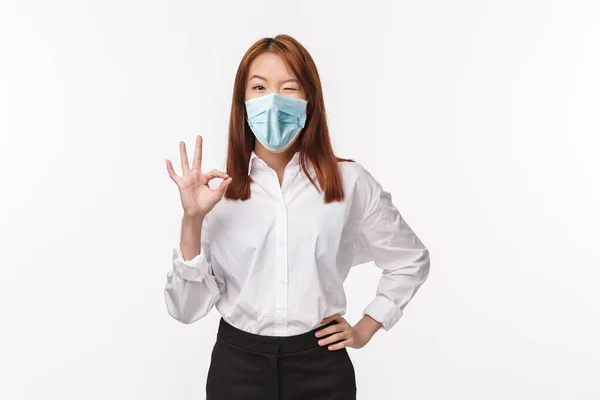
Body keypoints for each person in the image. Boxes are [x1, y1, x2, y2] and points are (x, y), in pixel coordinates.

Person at [164, 34, 431, 400]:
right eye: (259, 87)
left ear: (310, 102)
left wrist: (367, 326)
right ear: (242, 103)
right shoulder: (217, 194)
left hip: (320, 367)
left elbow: (410, 259)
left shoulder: (348, 182)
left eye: (289, 88)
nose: (273, 102)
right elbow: (185, 310)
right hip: (238, 367)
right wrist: (192, 218)